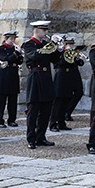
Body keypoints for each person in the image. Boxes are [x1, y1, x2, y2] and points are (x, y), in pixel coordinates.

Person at [22, 21, 60, 150]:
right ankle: (31, 138)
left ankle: (41, 137)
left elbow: (55, 60)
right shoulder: (28, 44)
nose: (46, 33)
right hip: (35, 77)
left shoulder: (45, 45)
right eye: (44, 30)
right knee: (33, 111)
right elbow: (34, 55)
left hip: (46, 78)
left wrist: (58, 49)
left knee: (45, 110)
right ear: (36, 30)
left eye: (46, 30)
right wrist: (51, 45)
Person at [0, 31, 24, 128]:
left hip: (13, 74)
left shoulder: (14, 49)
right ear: (6, 39)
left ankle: (12, 120)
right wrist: (16, 53)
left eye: (14, 39)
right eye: (11, 39)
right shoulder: (1, 49)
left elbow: (18, 61)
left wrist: (20, 55)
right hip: (4, 76)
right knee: (2, 101)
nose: (13, 41)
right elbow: (6, 59)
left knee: (13, 100)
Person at [51, 36, 84, 131]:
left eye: (71, 44)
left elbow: (80, 63)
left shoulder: (73, 53)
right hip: (60, 75)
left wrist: (77, 58)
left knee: (66, 99)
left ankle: (61, 123)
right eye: (68, 44)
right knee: (58, 100)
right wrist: (68, 53)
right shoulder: (59, 52)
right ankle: (53, 123)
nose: (70, 46)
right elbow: (60, 62)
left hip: (69, 76)